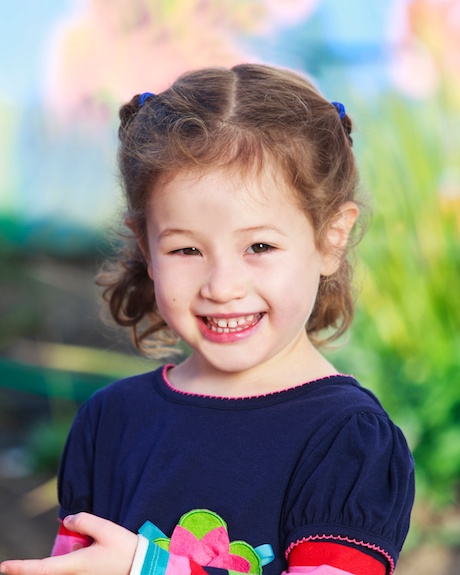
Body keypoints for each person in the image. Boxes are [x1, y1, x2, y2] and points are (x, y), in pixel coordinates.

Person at [0, 63, 414, 575]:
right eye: (187, 249)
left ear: (330, 238)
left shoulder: (348, 440)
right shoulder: (108, 421)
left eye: (259, 246)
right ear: (145, 245)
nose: (222, 286)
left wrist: (148, 567)